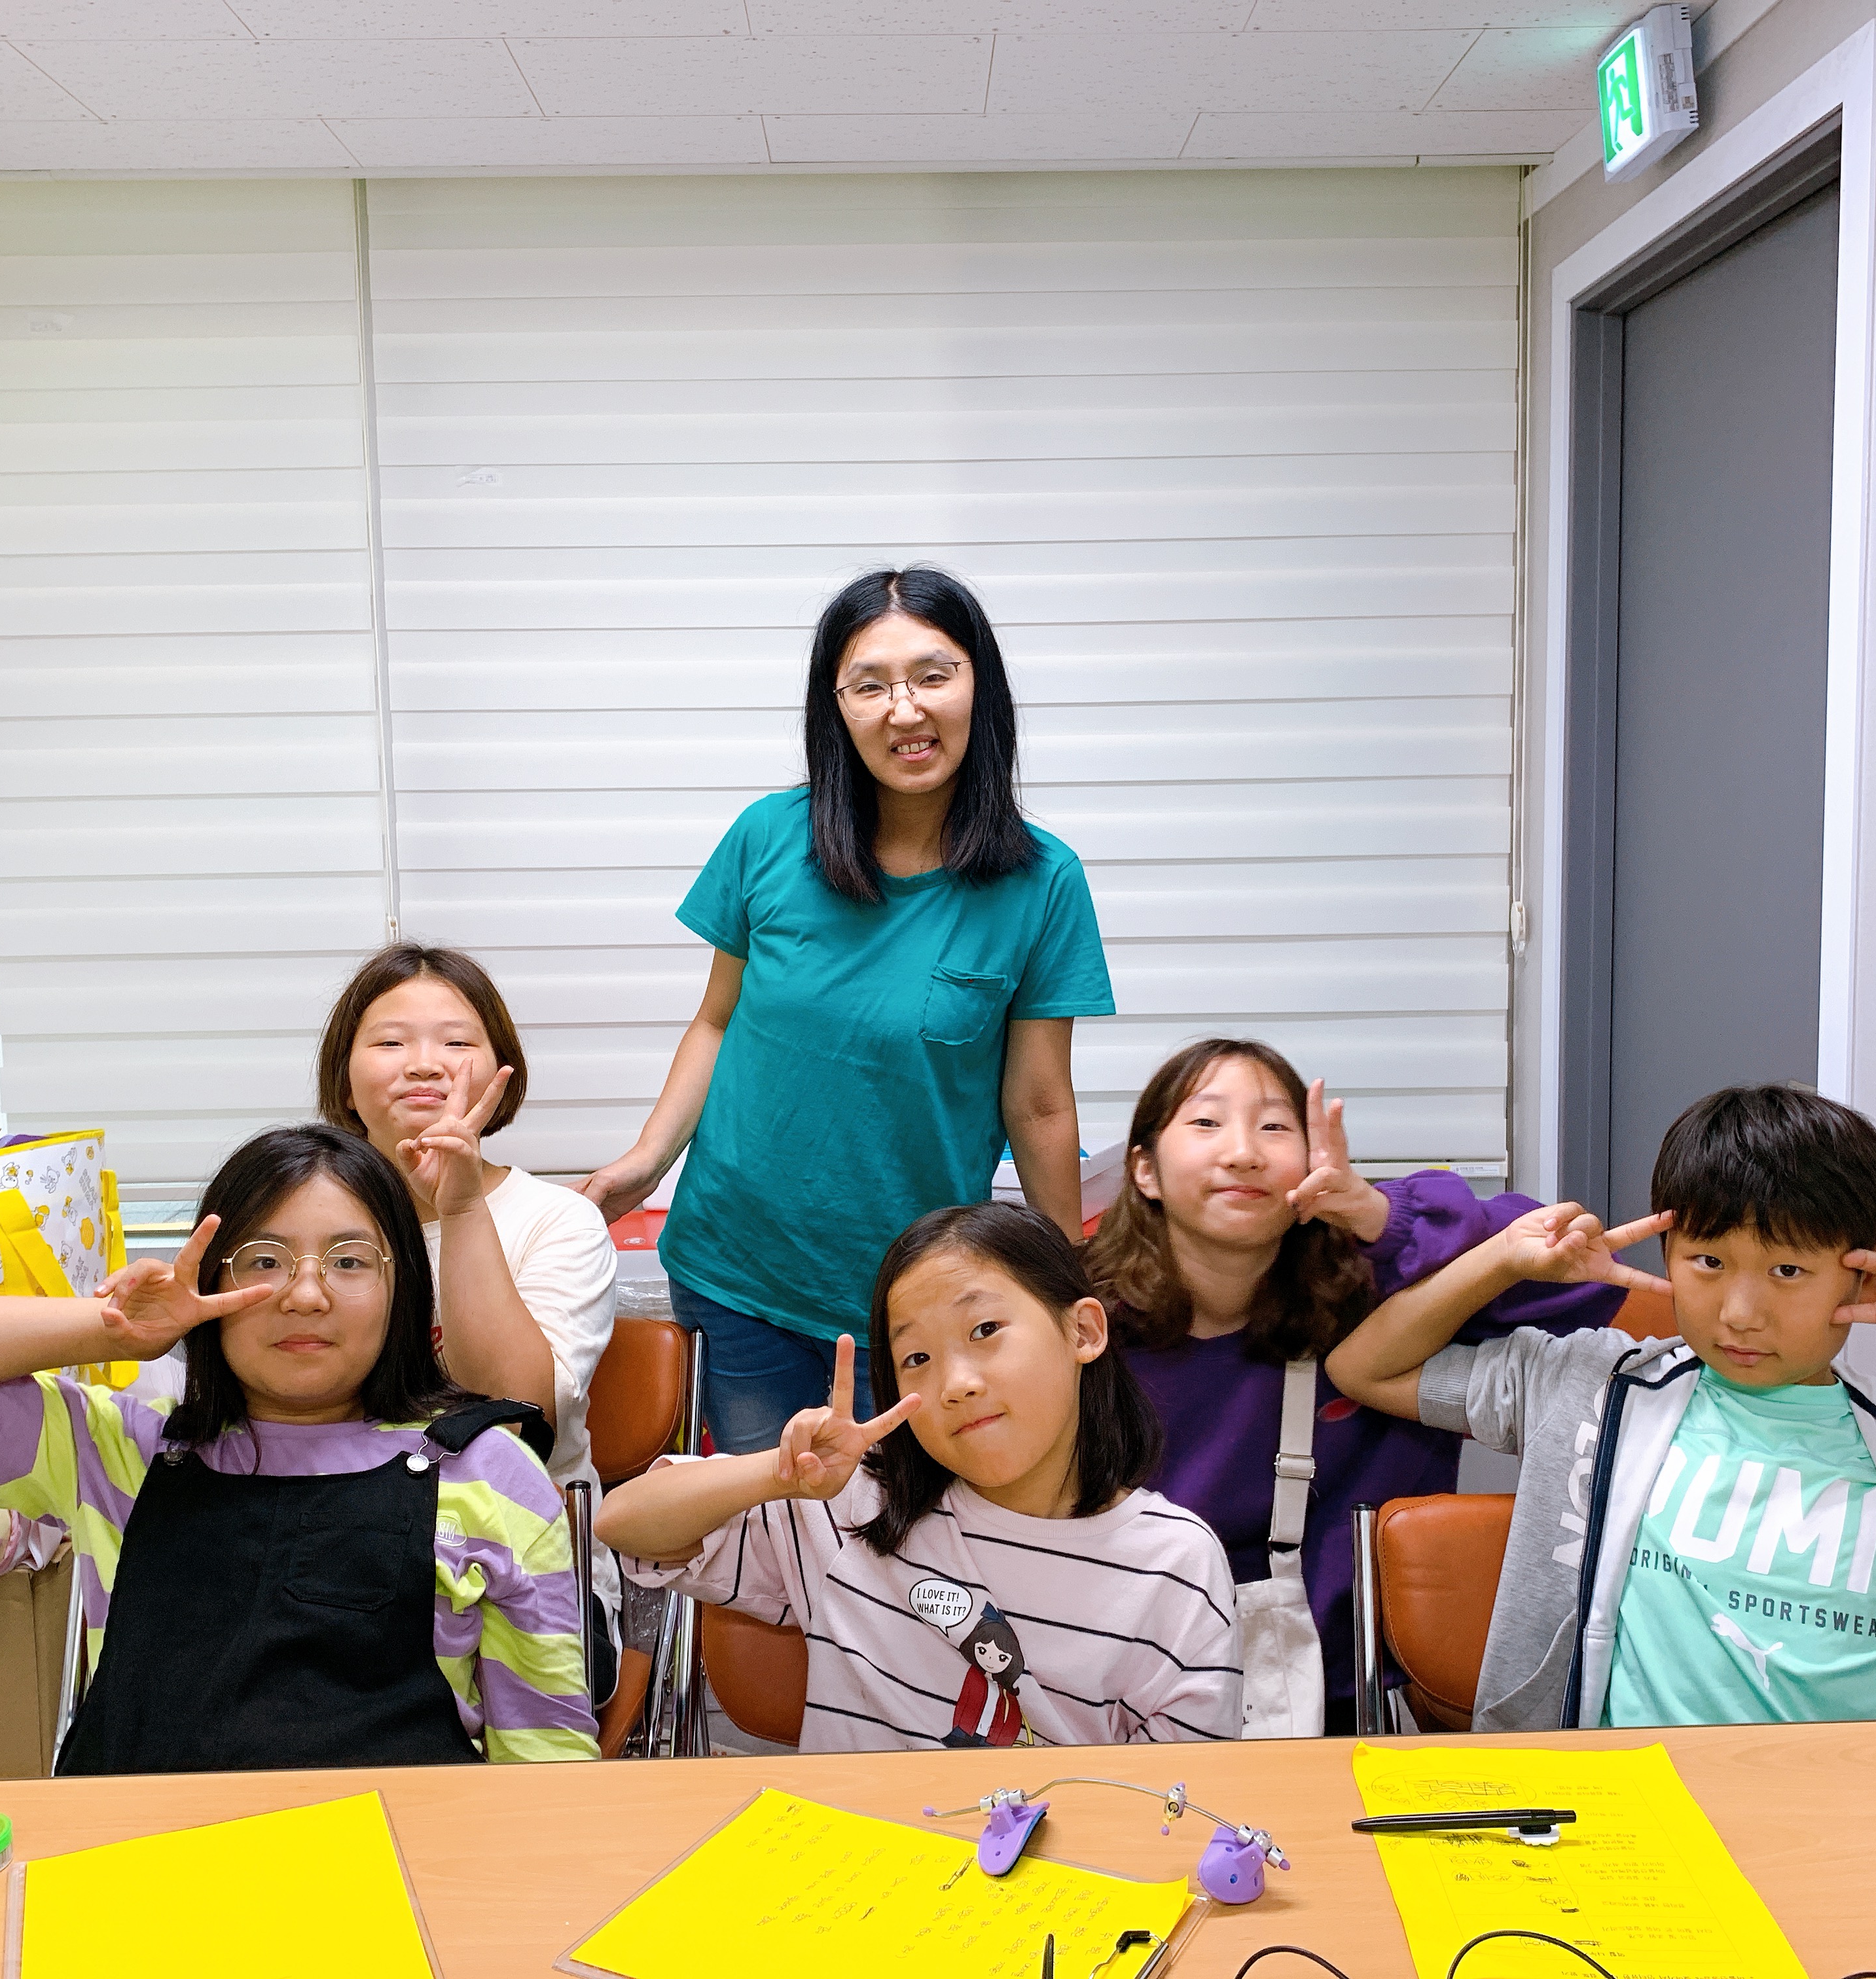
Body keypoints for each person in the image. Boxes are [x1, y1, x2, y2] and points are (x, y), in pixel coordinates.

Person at [1327, 1084, 1876, 1730]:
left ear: (1870, 1268)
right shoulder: (1590, 1391)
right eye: (1707, 1262)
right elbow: (1366, 1368)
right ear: (1666, 1248)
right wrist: (1503, 1261)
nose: (1739, 1313)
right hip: (1631, 1828)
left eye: (1788, 1271)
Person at [0, 1123, 597, 1771]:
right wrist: (112, 1330)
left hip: (390, 1872)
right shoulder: (122, 1448)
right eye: (264, 1261)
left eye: (350, 1261)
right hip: (136, 1864)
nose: (305, 1294)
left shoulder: (489, 1474)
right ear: (209, 1286)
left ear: (403, 1292)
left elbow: (547, 1760)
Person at [579, 568, 1113, 1453]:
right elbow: (717, 1021)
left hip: (917, 1300)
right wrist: (646, 1159)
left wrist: (1059, 1284)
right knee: (774, 1523)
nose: (905, 709)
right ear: (835, 708)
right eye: (869, 685)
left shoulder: (1043, 881)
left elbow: (1040, 1104)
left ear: (980, 685)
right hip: (736, 1274)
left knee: (905, 1528)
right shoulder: (768, 836)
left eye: (933, 675)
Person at [1090, 1038, 1620, 1734]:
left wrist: (1377, 1215)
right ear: (1145, 1171)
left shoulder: (1381, 1292)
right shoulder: (1083, 1327)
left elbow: (1581, 1287)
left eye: (1274, 1126)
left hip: (1352, 1709)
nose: (1243, 1152)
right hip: (1127, 1698)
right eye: (1207, 1122)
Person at [598, 1202, 1240, 1751]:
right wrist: (779, 1474)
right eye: (917, 1358)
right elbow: (624, 1524)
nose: (955, 1384)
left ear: (1083, 1331)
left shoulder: (1174, 1563)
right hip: (855, 1851)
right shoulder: (854, 1505)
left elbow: (1179, 1806)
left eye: (985, 1330)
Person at [315, 942, 615, 1508]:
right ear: (345, 1080)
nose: (424, 1064)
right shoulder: (304, 1217)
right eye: (390, 1042)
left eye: (456, 1043)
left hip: (507, 1537)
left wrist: (462, 1211)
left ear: (502, 1073)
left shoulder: (558, 1220)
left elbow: (517, 1425)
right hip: (339, 1521)